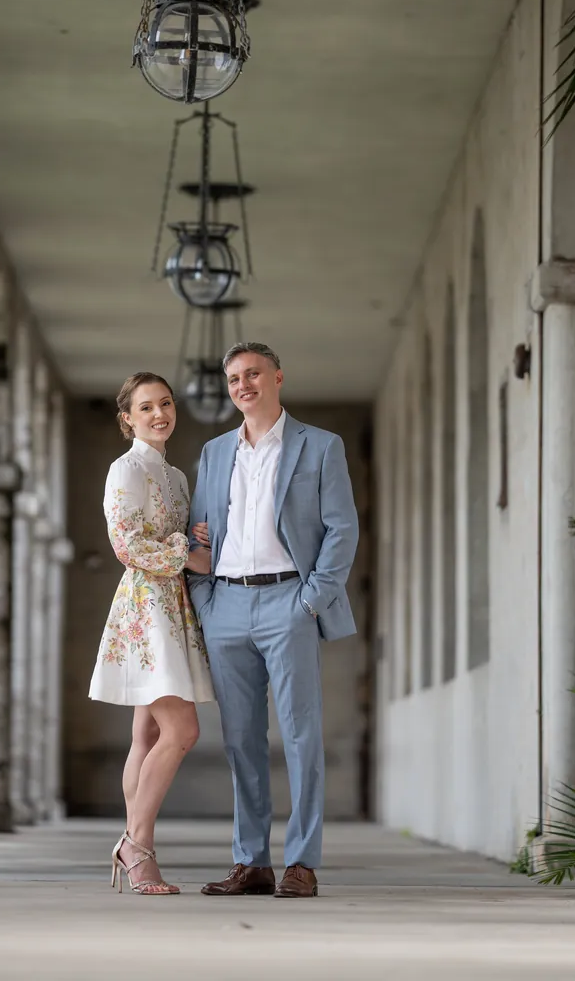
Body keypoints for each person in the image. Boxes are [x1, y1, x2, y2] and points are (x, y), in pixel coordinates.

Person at [187, 343, 359, 899]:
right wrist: (205, 597)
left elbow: (342, 529)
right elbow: (197, 535)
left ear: (278, 377)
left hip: (290, 601)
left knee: (302, 736)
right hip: (227, 606)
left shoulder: (320, 446)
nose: (243, 384)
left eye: (253, 373)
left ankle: (303, 862)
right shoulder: (214, 452)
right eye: (234, 377)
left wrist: (311, 600)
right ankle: (252, 862)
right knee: (241, 740)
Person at [89, 372, 214, 896]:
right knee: (182, 731)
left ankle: (136, 845)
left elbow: (178, 535)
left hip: (173, 606)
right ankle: (136, 845)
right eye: (146, 408)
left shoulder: (177, 477)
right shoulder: (126, 468)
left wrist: (193, 538)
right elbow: (125, 544)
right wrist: (186, 550)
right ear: (128, 419)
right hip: (145, 609)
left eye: (165, 404)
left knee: (145, 736)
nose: (159, 414)